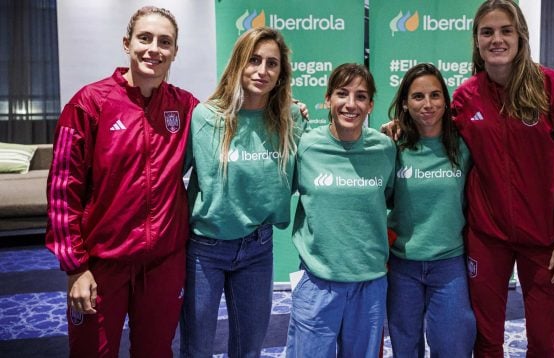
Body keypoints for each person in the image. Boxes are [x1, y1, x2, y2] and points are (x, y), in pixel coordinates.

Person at [46, 6, 198, 357]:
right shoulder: (89, 104)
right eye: (144, 38)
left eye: (165, 42)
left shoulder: (187, 107)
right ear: (127, 43)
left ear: (175, 51)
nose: (153, 49)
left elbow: (230, 123)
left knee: (156, 352)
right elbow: (61, 192)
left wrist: (285, 109)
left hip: (163, 262)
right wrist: (75, 267)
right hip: (101, 265)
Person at [451, 1, 554, 356]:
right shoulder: (465, 98)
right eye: (487, 32)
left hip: (547, 240)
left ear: (521, 36)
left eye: (506, 30)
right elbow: (438, 145)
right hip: (487, 237)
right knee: (485, 340)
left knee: (544, 344)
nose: (497, 39)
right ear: (477, 40)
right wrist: (400, 129)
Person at [179, 27, 307, 357]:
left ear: (281, 73)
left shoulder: (291, 118)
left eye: (272, 64)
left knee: (249, 348)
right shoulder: (206, 117)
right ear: (238, 63)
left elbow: (301, 177)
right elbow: (170, 177)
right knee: (197, 348)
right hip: (205, 249)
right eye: (253, 60)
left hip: (257, 248)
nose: (262, 71)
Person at [286, 63, 396, 358]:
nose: (351, 104)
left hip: (369, 283)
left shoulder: (386, 148)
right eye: (342, 94)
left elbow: (390, 197)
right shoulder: (306, 145)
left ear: (371, 104)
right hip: (317, 282)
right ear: (327, 99)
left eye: (361, 96)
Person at [385, 63, 475, 357]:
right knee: (405, 349)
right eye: (418, 97)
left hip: (449, 264)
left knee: (453, 348)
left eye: (435, 95)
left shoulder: (463, 145)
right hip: (403, 265)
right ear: (405, 104)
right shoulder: (392, 147)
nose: (428, 104)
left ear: (446, 101)